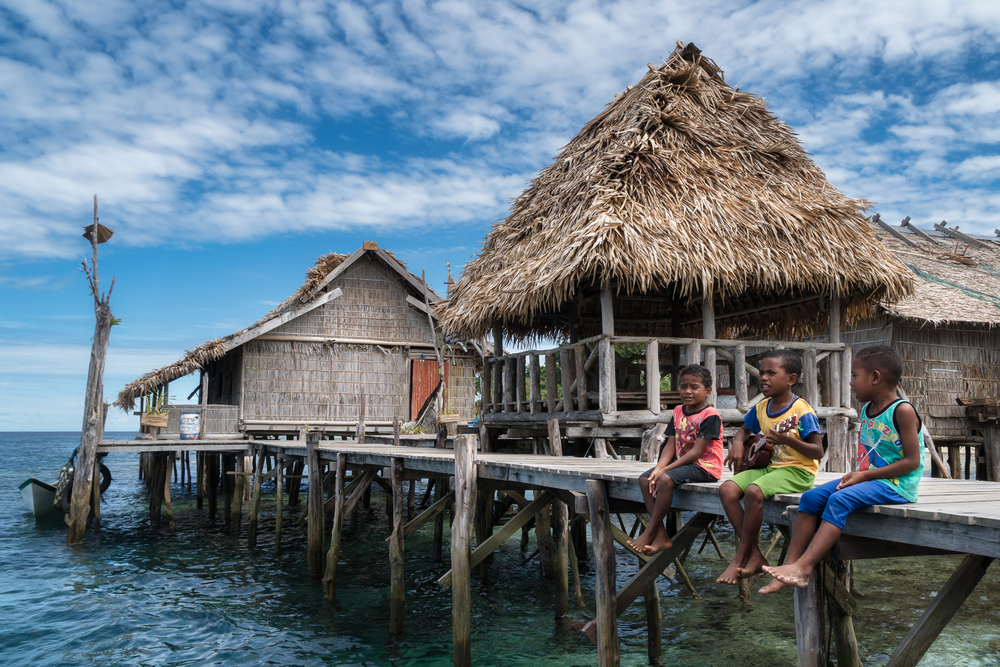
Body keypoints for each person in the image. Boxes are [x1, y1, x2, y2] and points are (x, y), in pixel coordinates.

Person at [760, 345, 923, 593]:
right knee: (811, 497)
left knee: (839, 500)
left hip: (897, 486)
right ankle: (790, 566)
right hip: (869, 480)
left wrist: (864, 475)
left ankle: (804, 567)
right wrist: (862, 476)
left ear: (875, 377)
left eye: (855, 376)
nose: (850, 383)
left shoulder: (902, 410)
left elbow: (913, 461)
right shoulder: (868, 409)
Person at [716, 350, 824, 585]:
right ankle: (755, 555)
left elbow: (818, 451)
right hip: (770, 468)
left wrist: (788, 440)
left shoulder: (801, 411)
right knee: (726, 490)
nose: (763, 377)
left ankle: (741, 556)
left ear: (791, 379)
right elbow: (745, 430)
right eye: (762, 373)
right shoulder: (761, 407)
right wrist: (736, 443)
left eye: (771, 373)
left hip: (798, 471)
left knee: (754, 491)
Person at [628, 365, 724, 555]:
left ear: (707, 391)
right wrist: (659, 467)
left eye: (694, 387)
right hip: (685, 465)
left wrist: (665, 471)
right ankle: (661, 536)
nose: (688, 391)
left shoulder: (710, 415)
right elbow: (670, 445)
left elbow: (696, 452)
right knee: (646, 479)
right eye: (683, 386)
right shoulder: (678, 411)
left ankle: (650, 532)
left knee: (665, 479)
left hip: (705, 467)